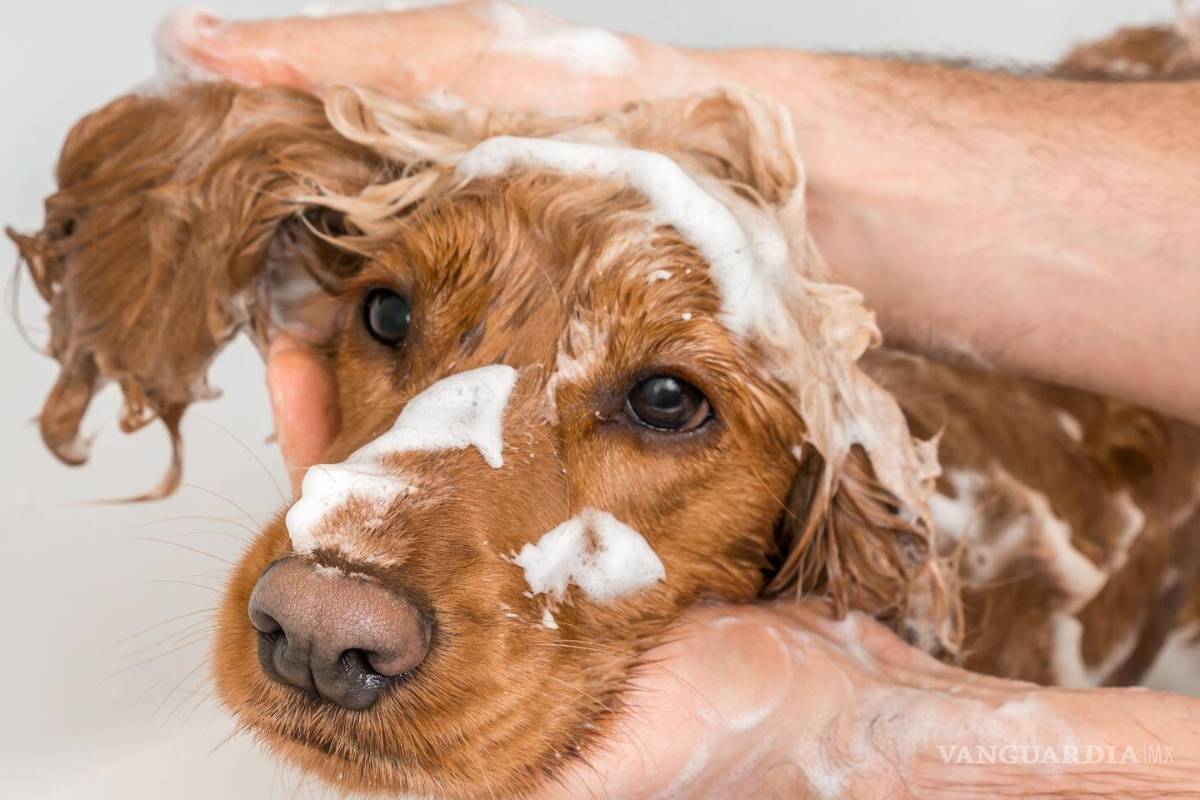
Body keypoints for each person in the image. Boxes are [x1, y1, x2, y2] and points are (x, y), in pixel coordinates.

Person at [175, 3, 1200, 795]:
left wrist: (868, 737)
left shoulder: (935, 561)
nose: (320, 615)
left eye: (665, 400)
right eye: (393, 320)